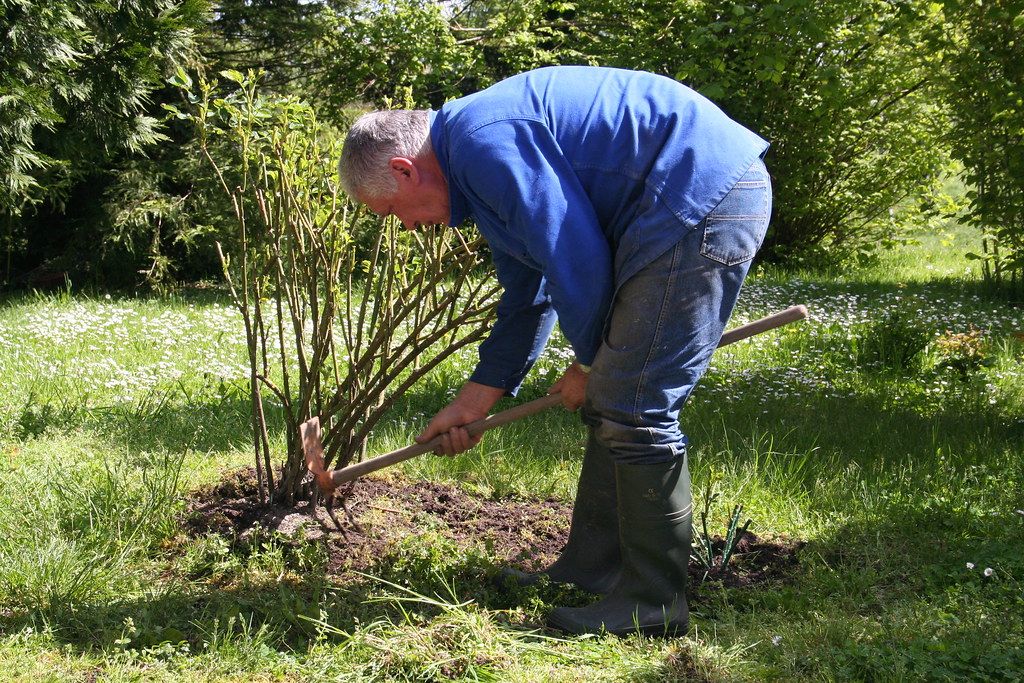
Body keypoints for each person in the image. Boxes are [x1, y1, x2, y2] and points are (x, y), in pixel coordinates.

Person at [338, 66, 771, 637]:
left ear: (403, 168)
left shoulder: (481, 141)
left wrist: (591, 364)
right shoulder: (476, 162)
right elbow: (529, 292)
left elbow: (574, 256)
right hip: (674, 203)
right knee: (616, 395)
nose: (410, 227)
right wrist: (476, 401)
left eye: (394, 212)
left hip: (696, 199)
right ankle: (592, 570)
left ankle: (653, 604)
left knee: (634, 403)